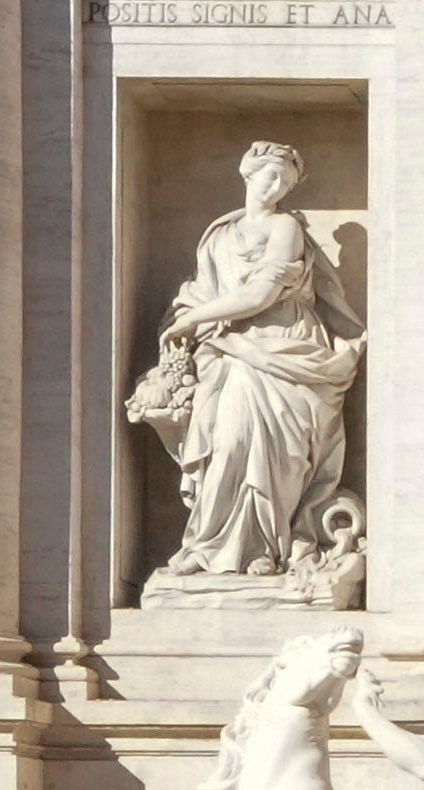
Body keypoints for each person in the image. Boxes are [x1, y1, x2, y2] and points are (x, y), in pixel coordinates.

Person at [125, 143, 368, 602]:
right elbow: (201, 291)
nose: (276, 187)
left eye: (286, 182)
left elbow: (260, 294)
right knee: (228, 443)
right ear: (247, 172)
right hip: (228, 350)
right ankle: (208, 545)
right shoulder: (218, 235)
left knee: (280, 452)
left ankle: (268, 547)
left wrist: (195, 319)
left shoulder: (285, 228)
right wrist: (186, 318)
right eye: (269, 176)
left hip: (285, 346)